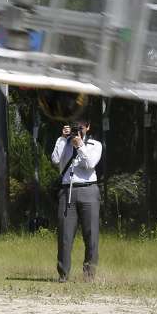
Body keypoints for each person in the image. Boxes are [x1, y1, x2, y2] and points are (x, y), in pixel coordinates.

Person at [51, 120, 103, 282]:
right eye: (74, 127)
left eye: (80, 127)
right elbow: (55, 160)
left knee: (91, 235)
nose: (77, 130)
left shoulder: (95, 144)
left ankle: (89, 275)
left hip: (89, 190)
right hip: (67, 191)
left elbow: (90, 164)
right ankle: (63, 274)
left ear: (87, 127)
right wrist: (61, 139)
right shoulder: (63, 142)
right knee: (65, 235)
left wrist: (80, 145)